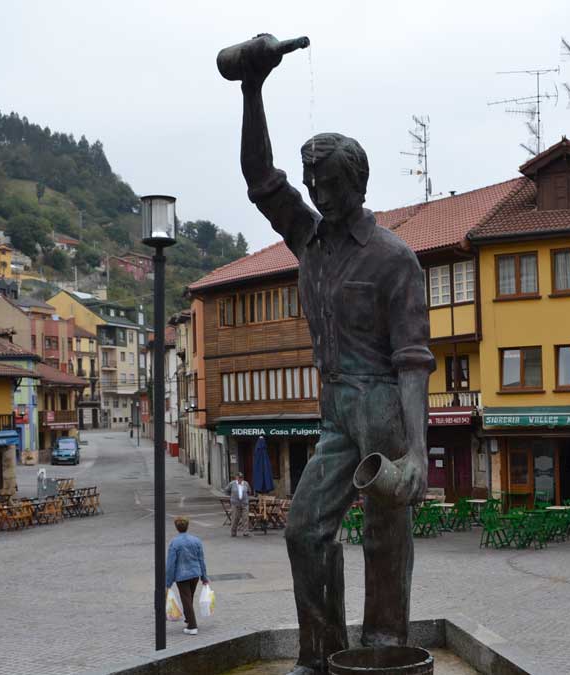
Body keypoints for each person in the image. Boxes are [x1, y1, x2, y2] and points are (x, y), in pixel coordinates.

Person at [231, 34, 434, 675]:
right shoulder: (308, 238)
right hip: (335, 406)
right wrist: (253, 89)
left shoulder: (393, 257)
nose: (318, 192)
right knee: (304, 529)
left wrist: (419, 449)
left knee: (385, 534)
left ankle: (382, 647)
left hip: (382, 403)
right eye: (314, 181)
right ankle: (320, 652)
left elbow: (413, 360)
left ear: (358, 183)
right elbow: (260, 180)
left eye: (329, 182)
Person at [164, 516, 209, 635]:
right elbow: (201, 559)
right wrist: (204, 577)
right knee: (189, 598)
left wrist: (168, 582)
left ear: (176, 527)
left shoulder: (174, 543)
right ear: (187, 526)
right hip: (195, 573)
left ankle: (192, 626)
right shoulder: (196, 540)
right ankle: (189, 619)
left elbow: (170, 564)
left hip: (182, 575)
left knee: (186, 599)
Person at [225, 472, 252, 537]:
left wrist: (245, 497)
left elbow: (249, 491)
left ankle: (245, 532)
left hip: (244, 503)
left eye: (241, 477)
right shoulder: (232, 484)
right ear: (236, 477)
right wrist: (232, 497)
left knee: (245, 518)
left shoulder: (246, 483)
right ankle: (233, 532)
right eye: (239, 477)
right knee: (235, 518)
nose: (240, 479)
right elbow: (226, 490)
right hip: (235, 503)